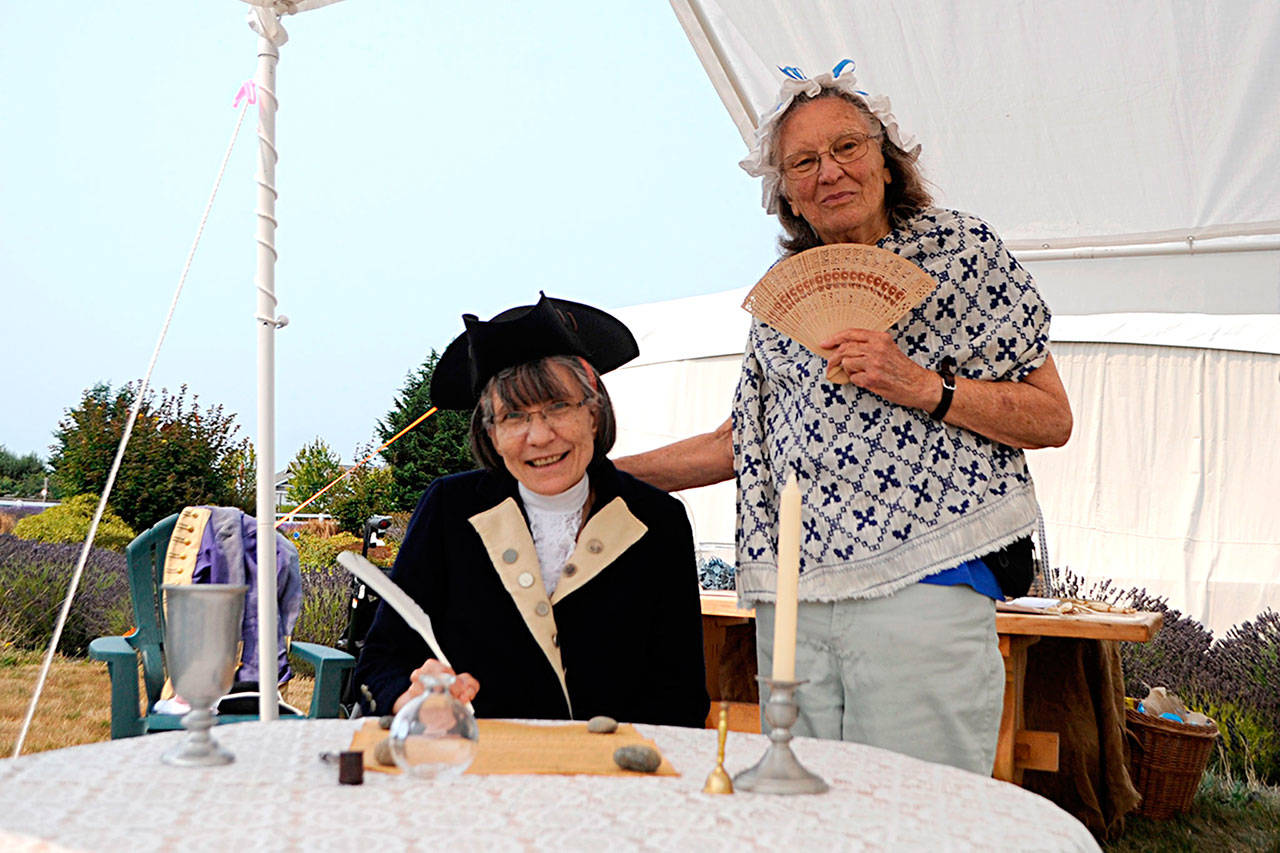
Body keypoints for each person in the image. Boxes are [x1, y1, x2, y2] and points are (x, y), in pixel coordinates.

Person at [616, 61, 1072, 774]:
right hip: (796, 606)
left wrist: (922, 384)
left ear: (887, 161)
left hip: (925, 584)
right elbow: (738, 445)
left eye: (846, 147)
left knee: (917, 813)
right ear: (786, 193)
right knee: (805, 820)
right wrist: (598, 477)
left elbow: (1051, 417)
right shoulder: (778, 302)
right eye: (803, 161)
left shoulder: (963, 253)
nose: (828, 171)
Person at [354, 294, 710, 728]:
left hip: (613, 777)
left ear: (594, 413)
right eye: (514, 416)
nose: (539, 436)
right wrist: (407, 696)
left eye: (558, 407)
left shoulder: (658, 520)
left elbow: (683, 696)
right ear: (491, 433)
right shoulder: (449, 509)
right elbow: (380, 663)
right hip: (475, 771)